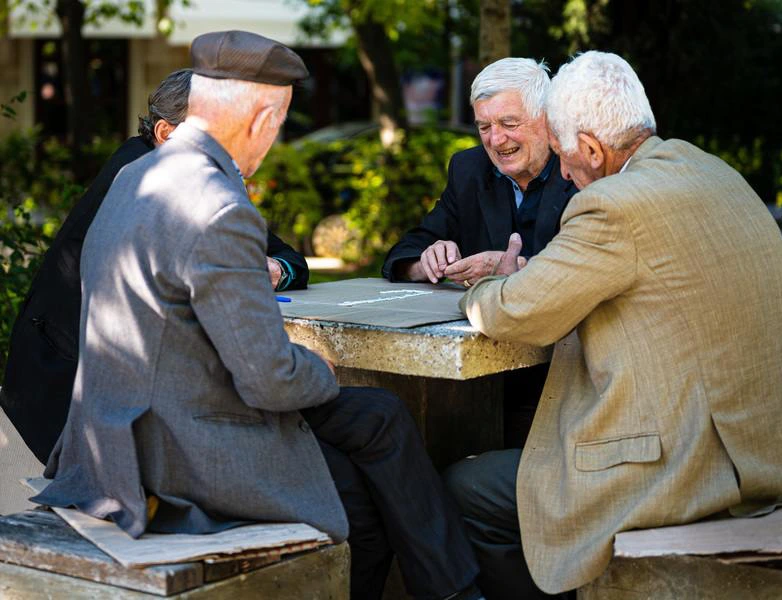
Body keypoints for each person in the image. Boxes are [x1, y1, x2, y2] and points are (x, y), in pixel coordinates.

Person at [31, 31, 481, 600]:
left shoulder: (133, 178)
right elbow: (269, 378)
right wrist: (321, 367)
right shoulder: (218, 205)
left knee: (381, 416)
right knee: (361, 498)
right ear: (262, 119)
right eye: (281, 122)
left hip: (128, 429)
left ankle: (458, 593)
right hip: (180, 451)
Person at [445, 50, 782, 599]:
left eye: (564, 156)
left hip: (686, 468)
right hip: (764, 452)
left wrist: (491, 283)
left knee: (466, 486)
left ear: (590, 148)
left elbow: (513, 311)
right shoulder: (714, 173)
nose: (563, 173)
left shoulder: (613, 207)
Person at [0, 69, 309, 466]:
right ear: (165, 132)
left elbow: (291, 261)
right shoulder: (146, 180)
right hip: (72, 402)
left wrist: (274, 269)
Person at [382, 57, 576, 287]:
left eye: (509, 124)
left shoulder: (580, 168)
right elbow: (406, 251)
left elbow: (588, 268)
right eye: (484, 127)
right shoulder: (469, 169)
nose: (495, 140)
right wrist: (426, 265)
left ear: (546, 117)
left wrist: (519, 266)